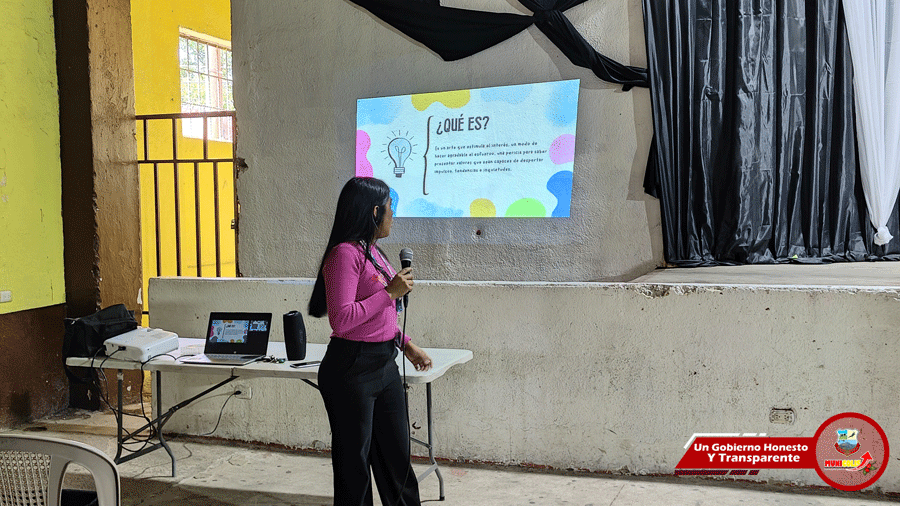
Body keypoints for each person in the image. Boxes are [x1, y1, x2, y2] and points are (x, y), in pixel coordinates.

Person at [308, 176, 433, 506]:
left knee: (396, 459)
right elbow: (343, 319)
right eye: (391, 207)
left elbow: (381, 315)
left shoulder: (374, 252)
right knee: (355, 465)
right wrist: (389, 292)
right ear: (375, 211)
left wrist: (406, 344)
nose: (393, 214)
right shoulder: (344, 255)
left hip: (384, 364)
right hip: (351, 367)